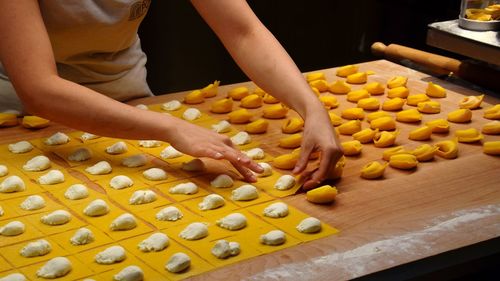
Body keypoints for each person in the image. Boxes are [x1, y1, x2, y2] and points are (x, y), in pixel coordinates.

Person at [0, 0, 343, 189]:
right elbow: (39, 88)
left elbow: (244, 31)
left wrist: (311, 107)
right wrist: (169, 128)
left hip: (129, 104)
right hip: (22, 121)